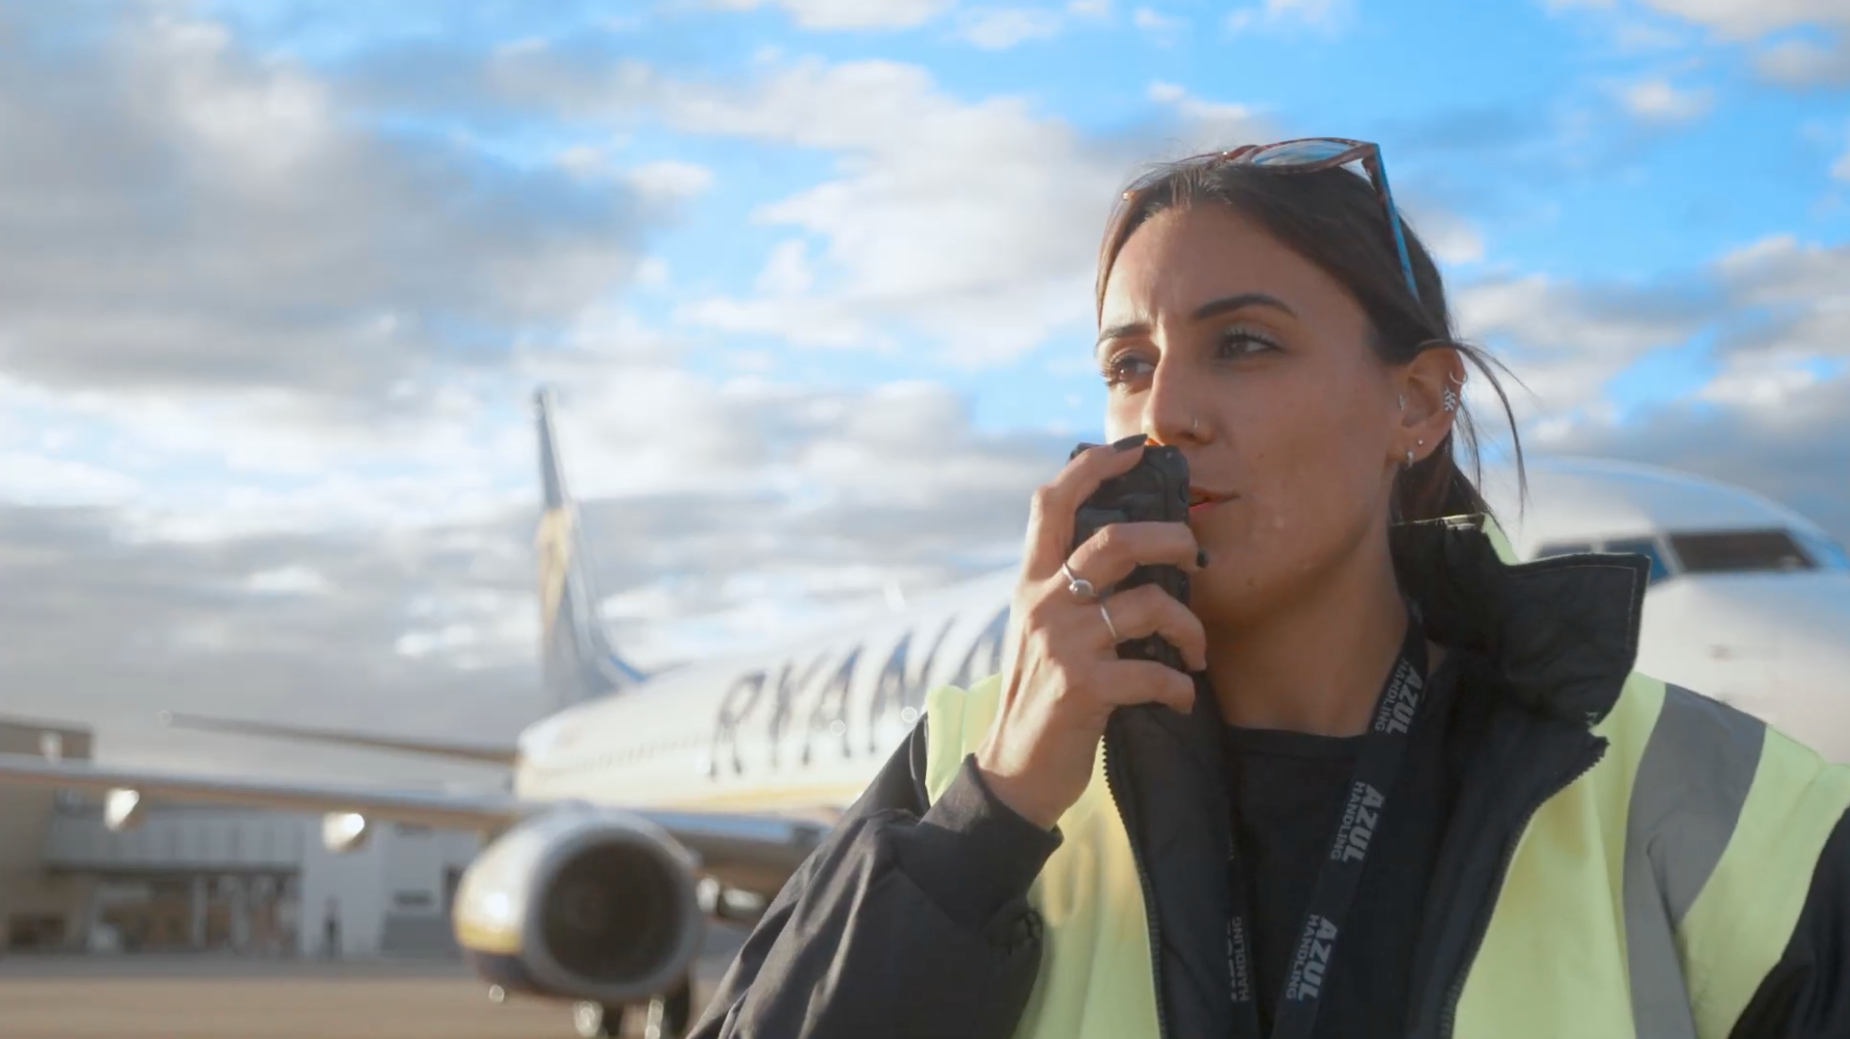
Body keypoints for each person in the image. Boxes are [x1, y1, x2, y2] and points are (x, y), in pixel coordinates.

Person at [687, 139, 1850, 1039]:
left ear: (1416, 404)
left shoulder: (1696, 802)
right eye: (1127, 364)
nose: (1165, 413)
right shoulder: (966, 765)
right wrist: (986, 826)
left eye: (1241, 343)